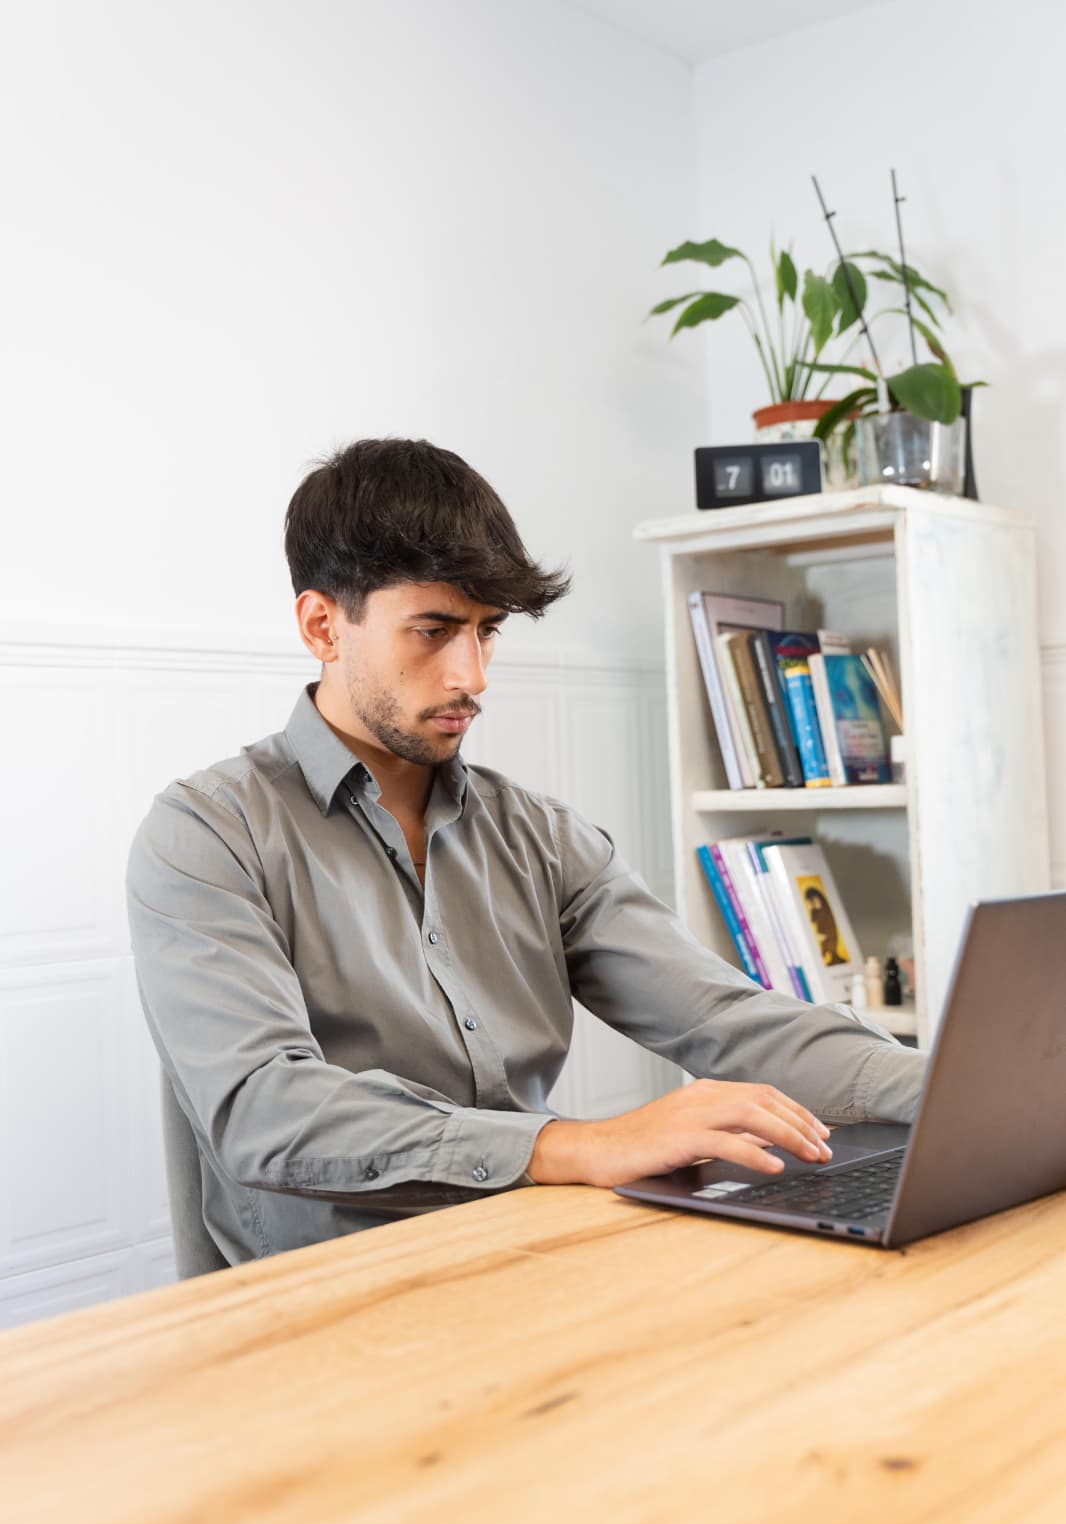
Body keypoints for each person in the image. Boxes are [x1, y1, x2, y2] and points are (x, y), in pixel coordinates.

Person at [127, 438, 927, 1265]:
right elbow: (264, 1108)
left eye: (487, 632)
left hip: (528, 1260)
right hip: (323, 1299)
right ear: (323, 626)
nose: (471, 676)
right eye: (433, 631)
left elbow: (724, 1018)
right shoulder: (208, 834)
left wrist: (958, 1089)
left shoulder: (540, 837)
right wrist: (578, 1145)